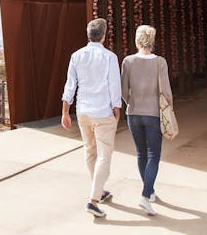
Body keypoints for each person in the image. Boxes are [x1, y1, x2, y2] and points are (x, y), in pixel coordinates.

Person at [61, 17, 122, 218]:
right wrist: (117, 107)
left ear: (88, 35)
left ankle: (100, 191)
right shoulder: (110, 57)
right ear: (103, 35)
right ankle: (93, 201)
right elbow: (114, 84)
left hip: (83, 112)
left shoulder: (76, 56)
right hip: (103, 112)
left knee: (90, 152)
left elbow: (70, 85)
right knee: (104, 155)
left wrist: (65, 111)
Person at [121, 24, 173, 216]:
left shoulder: (127, 61)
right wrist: (169, 109)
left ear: (137, 41)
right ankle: (144, 196)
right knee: (153, 156)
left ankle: (150, 191)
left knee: (141, 155)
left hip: (133, 114)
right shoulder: (160, 62)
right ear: (153, 41)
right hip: (153, 115)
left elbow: (123, 91)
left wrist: (131, 103)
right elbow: (166, 92)